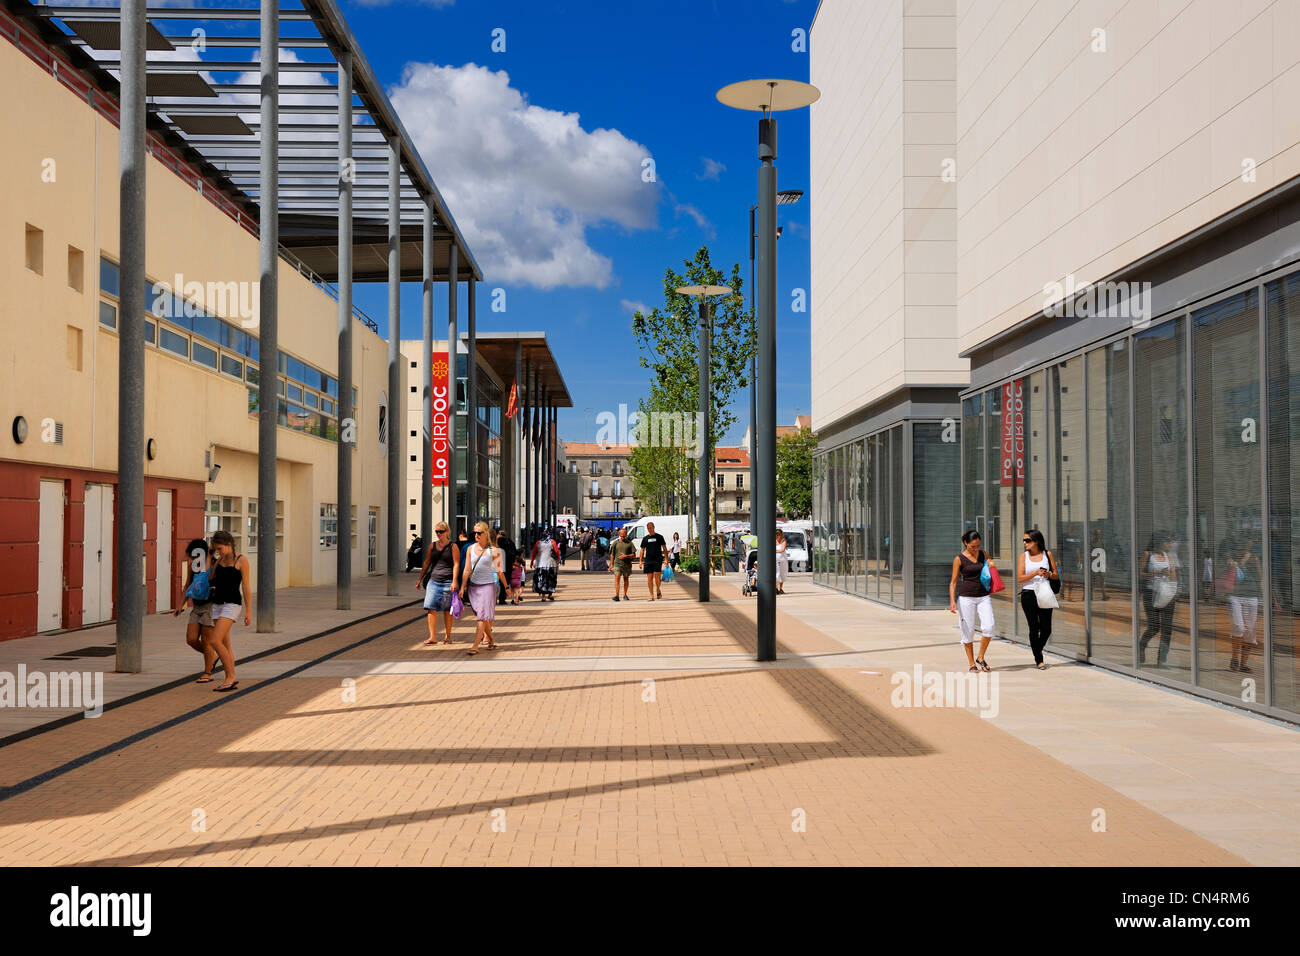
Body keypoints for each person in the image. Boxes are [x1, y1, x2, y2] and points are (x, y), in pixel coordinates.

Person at [206, 529, 250, 692]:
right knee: (225, 643)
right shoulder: (218, 560)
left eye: (220, 548)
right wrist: (211, 557)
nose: (218, 552)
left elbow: (246, 586)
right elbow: (209, 577)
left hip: (232, 604)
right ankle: (230, 677)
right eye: (215, 549)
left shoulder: (241, 560)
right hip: (217, 604)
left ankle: (230, 677)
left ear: (229, 545)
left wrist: (249, 611)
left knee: (214, 641)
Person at [948, 529, 994, 673]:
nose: (975, 548)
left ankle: (981, 657)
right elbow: (953, 582)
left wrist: (991, 565)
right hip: (966, 597)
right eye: (972, 546)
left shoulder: (983, 554)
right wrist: (952, 601)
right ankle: (971, 663)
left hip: (983, 596)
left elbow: (990, 570)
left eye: (977, 546)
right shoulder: (959, 559)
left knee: (989, 626)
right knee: (967, 631)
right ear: (965, 543)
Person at [461, 522, 508, 654]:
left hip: (488, 586)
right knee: (482, 616)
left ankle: (475, 646)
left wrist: (506, 586)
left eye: (479, 533)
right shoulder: (470, 549)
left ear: (486, 533)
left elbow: (499, 571)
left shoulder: (494, 551)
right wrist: (462, 586)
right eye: (474, 533)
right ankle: (492, 639)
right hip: (474, 587)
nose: (476, 535)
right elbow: (466, 569)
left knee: (481, 617)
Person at [176, 537, 217, 683]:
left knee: (206, 641)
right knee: (191, 639)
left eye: (194, 555)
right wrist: (180, 605)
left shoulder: (213, 564)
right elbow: (187, 585)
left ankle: (207, 672)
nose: (192, 559)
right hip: (196, 606)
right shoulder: (192, 567)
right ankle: (214, 656)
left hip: (210, 606)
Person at [1017, 529, 1058, 670]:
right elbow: (1020, 578)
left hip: (1045, 593)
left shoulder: (1048, 554)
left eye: (1027, 540)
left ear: (1036, 541)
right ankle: (1039, 659)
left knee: (1046, 629)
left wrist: (1048, 574)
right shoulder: (1023, 556)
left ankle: (1036, 648)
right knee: (1034, 628)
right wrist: (1035, 572)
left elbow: (1056, 575)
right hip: (1028, 594)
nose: (1024, 543)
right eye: (1024, 540)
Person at [416, 521, 459, 645]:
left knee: (447, 609)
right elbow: (426, 562)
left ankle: (448, 636)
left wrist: (454, 581)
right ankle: (432, 637)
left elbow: (456, 564)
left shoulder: (453, 546)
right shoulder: (432, 546)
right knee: (430, 607)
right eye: (437, 532)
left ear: (447, 532)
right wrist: (420, 579)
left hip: (448, 581)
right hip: (434, 581)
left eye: (441, 531)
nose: (439, 534)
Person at [1138, 532, 1177, 668]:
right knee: (1154, 627)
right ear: (1159, 542)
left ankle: (1161, 660)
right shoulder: (1148, 555)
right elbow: (1140, 574)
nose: (1169, 544)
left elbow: (1174, 576)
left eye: (1170, 541)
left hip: (1167, 595)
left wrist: (1171, 577)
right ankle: (1141, 647)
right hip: (1151, 594)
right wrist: (1157, 573)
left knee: (1167, 629)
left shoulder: (1169, 556)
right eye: (1167, 541)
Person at [1227, 538, 1262, 673]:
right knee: (1238, 626)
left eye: (1249, 544)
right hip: (1235, 596)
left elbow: (1260, 578)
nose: (1247, 546)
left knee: (1250, 630)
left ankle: (1243, 664)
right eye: (1244, 544)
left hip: (1252, 596)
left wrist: (1271, 597)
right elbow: (1231, 574)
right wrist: (1242, 562)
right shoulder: (1231, 559)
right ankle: (1234, 658)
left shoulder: (1255, 559)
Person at [639, 521, 668, 600]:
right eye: (648, 528)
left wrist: (666, 559)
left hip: (657, 560)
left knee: (657, 576)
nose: (650, 529)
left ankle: (658, 590)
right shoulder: (645, 539)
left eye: (651, 528)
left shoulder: (659, 537)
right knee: (649, 578)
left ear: (654, 527)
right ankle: (651, 595)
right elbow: (642, 550)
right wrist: (640, 561)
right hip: (648, 560)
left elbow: (665, 549)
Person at [530, 527, 561, 601]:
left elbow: (533, 553)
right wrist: (558, 559)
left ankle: (543, 596)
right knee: (551, 579)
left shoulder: (538, 543)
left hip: (540, 564)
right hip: (551, 564)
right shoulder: (552, 542)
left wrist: (531, 562)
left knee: (542, 580)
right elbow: (557, 552)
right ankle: (550, 595)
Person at [609, 526, 637, 601]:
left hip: (627, 564)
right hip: (617, 564)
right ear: (619, 534)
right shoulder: (615, 543)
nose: (623, 537)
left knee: (626, 579)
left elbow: (634, 555)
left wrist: (626, 556)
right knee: (617, 578)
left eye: (624, 535)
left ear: (626, 534)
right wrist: (611, 565)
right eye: (621, 535)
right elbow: (612, 554)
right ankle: (617, 595)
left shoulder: (630, 543)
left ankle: (625, 594)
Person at [494, 526, 517, 605]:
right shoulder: (509, 541)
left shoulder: (495, 542)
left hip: (497, 563)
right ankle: (502, 598)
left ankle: (493, 598)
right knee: (505, 581)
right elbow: (514, 552)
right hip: (508, 564)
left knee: (495, 581)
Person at [775, 529, 789, 595]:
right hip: (775, 559)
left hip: (783, 559)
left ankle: (780, 588)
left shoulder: (783, 540)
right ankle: (776, 588)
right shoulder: (774, 541)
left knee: (782, 574)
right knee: (776, 574)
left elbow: (782, 550)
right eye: (777, 534)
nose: (778, 536)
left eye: (779, 534)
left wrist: (775, 551)